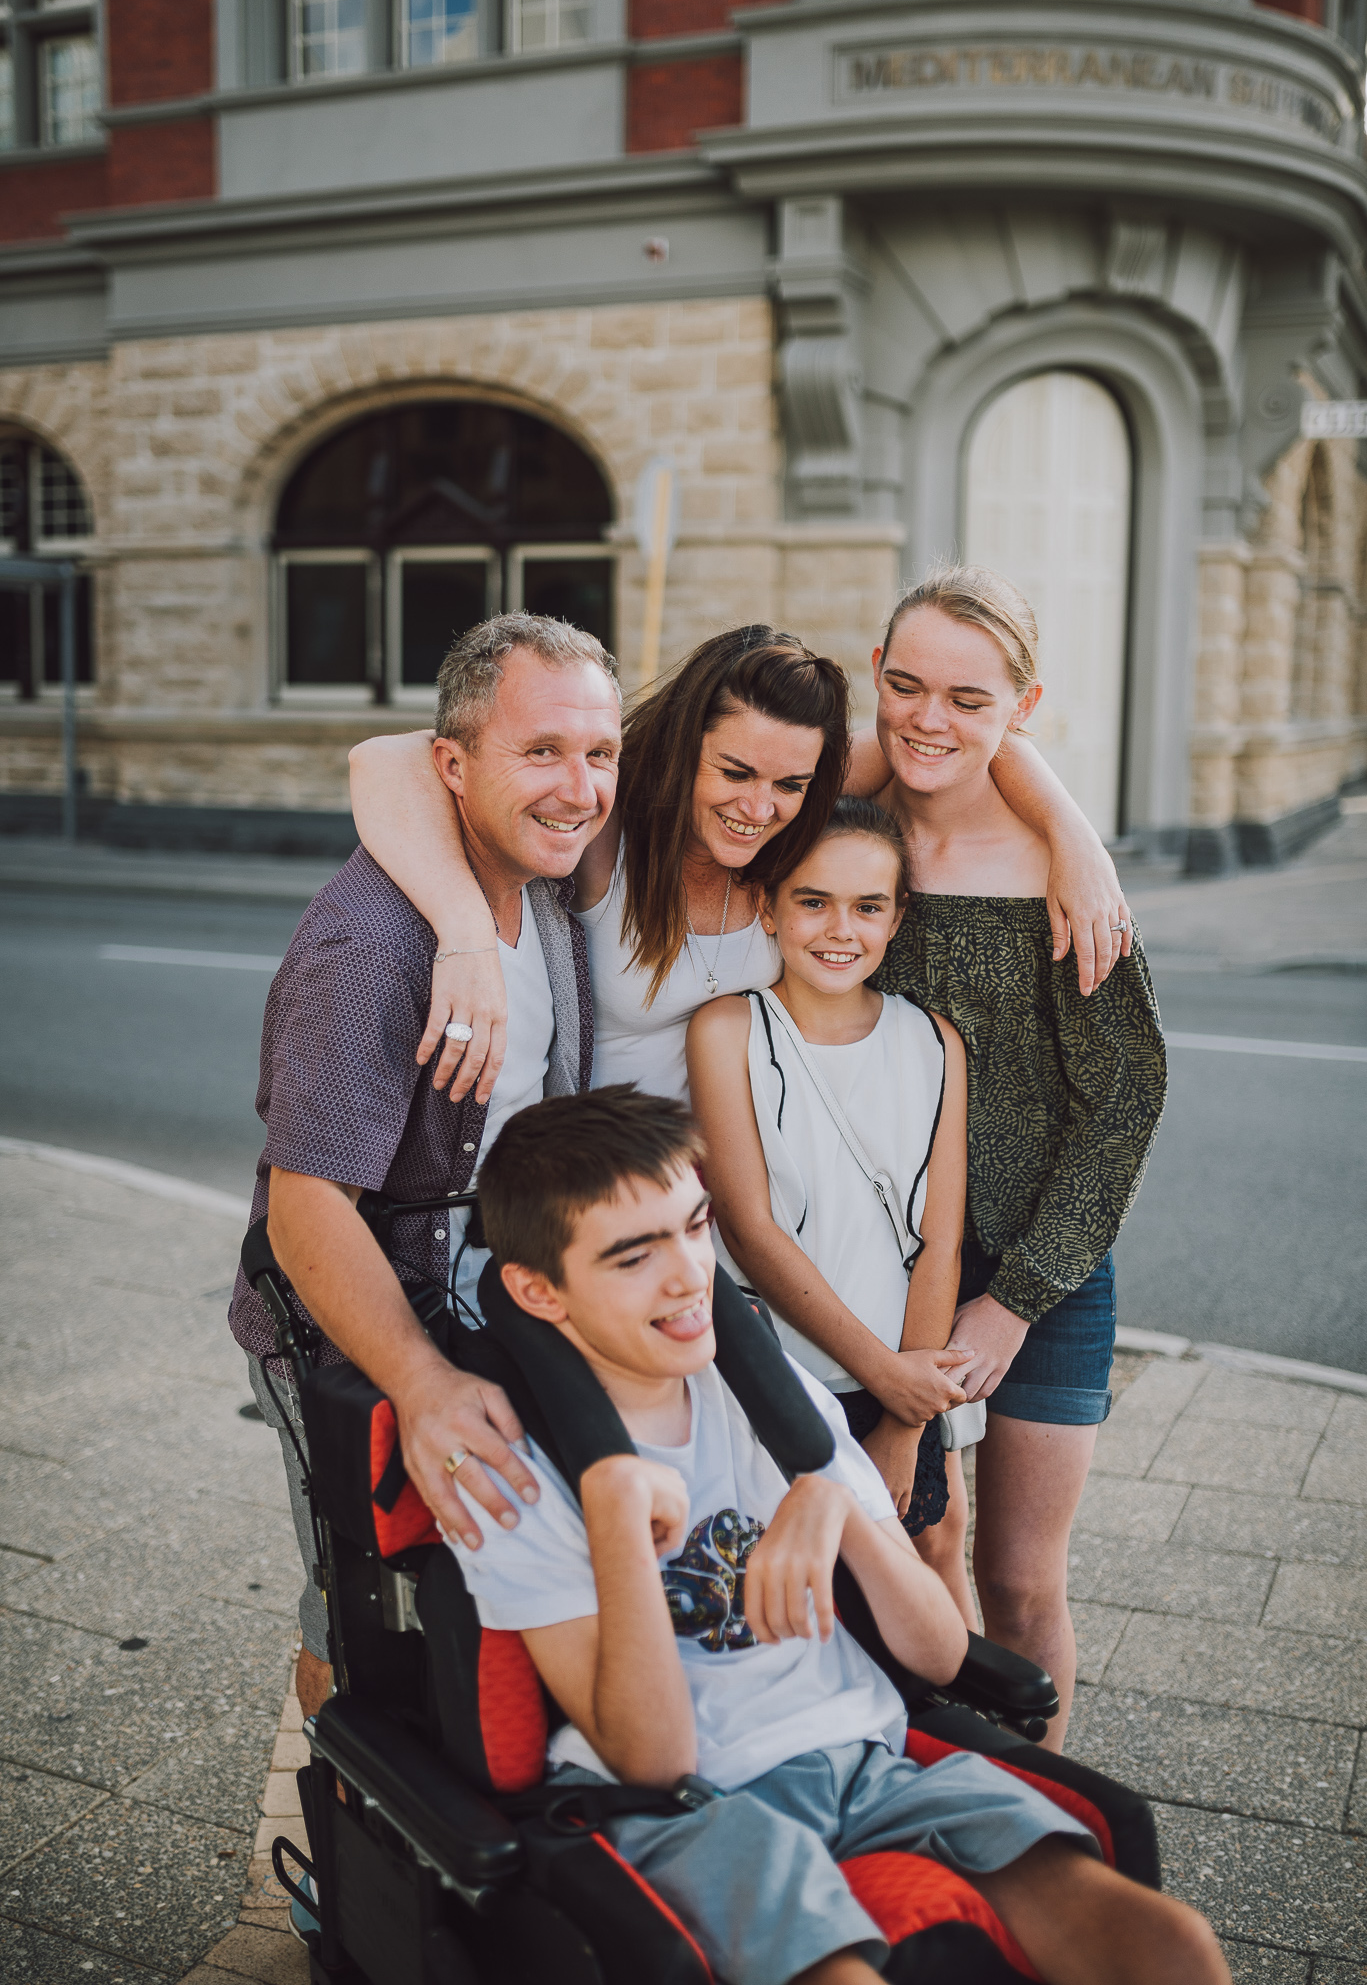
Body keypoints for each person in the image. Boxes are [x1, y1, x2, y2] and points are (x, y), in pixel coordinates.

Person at [451, 1086, 1228, 1985]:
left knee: (1171, 1947)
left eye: (694, 1227)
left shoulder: (767, 1393)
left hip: (868, 1760)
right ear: (537, 1291)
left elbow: (939, 1655)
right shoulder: (510, 1472)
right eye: (633, 1255)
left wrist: (833, 1498)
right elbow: (652, 1761)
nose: (686, 1275)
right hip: (698, 1808)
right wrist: (618, 1520)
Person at [228, 612, 621, 1729]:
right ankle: (342, 1868)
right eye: (540, 750)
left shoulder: (539, 879)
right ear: (450, 764)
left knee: (483, 1615)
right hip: (364, 1338)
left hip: (492, 1313)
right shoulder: (373, 951)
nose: (578, 785)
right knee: (364, 1622)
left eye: (598, 752)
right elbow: (306, 1213)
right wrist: (424, 1381)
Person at [348, 628, 1132, 1113]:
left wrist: (1074, 839)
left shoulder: (784, 818)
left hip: (753, 1192)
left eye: (790, 785)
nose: (759, 807)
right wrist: (462, 934)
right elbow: (383, 761)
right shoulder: (605, 825)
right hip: (613, 1197)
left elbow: (956, 738)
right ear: (686, 748)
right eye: (734, 772)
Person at [867, 565, 1168, 1750]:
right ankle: (946, 1774)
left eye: (967, 698)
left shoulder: (1055, 872)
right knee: (909, 1545)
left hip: (1045, 1263)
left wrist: (1015, 1299)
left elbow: (1125, 1096)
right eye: (902, 684)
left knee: (1021, 1575)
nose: (926, 719)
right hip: (881, 1263)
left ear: (1022, 705)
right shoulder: (851, 827)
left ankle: (1046, 1810)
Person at [687, 797, 976, 1623]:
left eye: (867, 906)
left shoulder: (934, 1041)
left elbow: (939, 1240)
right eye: (812, 901)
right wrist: (889, 1383)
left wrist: (900, 1420)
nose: (838, 928)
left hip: (900, 1389)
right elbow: (749, 1225)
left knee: (917, 1578)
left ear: (896, 917)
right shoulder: (726, 1029)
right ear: (767, 906)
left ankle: (949, 1748)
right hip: (781, 1387)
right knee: (793, 1595)